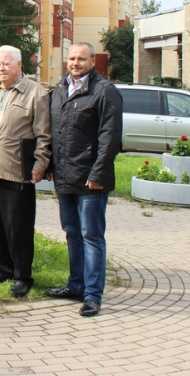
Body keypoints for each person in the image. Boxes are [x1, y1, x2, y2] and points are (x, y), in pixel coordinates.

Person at [46, 42, 123, 317]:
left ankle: (92, 295)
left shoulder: (105, 92)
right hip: (65, 176)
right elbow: (53, 133)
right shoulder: (58, 91)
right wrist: (49, 166)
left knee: (91, 235)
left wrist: (98, 173)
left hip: (91, 179)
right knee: (72, 233)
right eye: (71, 58)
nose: (75, 63)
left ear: (93, 61)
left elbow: (110, 138)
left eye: (81, 58)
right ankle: (75, 285)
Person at [0, 46, 51, 298]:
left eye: (6, 64)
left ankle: (22, 276)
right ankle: (4, 269)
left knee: (17, 226)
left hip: (18, 170)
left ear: (19, 65)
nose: (1, 68)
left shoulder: (35, 93)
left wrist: (40, 165)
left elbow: (44, 135)